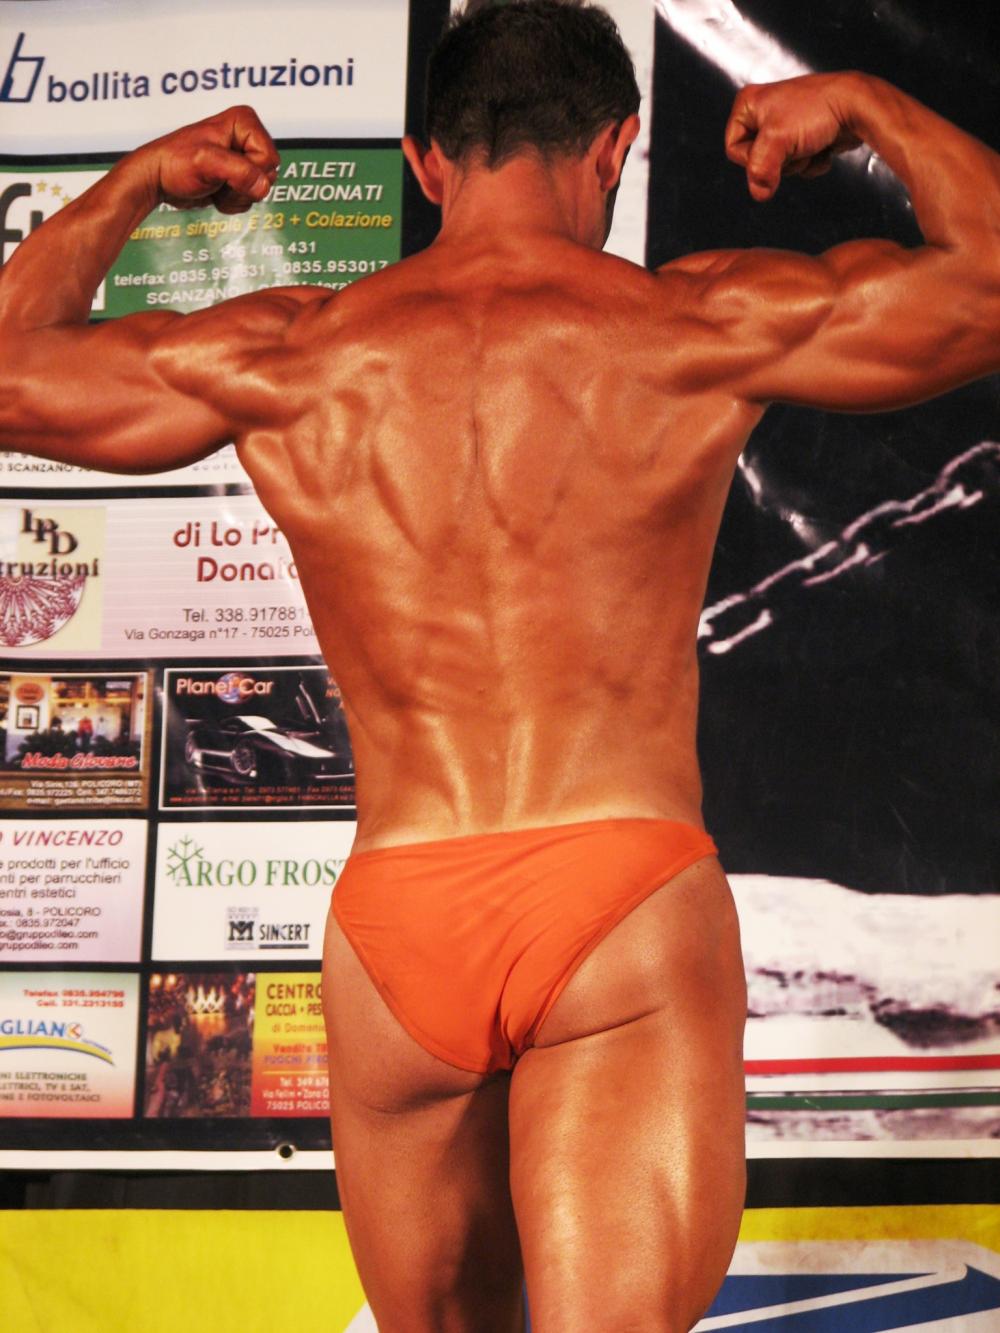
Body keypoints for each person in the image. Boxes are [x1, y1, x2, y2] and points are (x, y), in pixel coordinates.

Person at [1, 2, 998, 1327]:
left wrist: (135, 180)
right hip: (615, 903)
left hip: (397, 927)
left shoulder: (289, 355)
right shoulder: (695, 323)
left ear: (426, 164)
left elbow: (10, 368)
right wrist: (866, 100)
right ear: (618, 149)